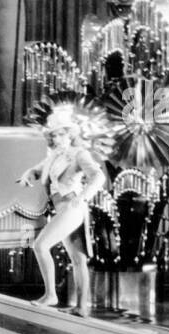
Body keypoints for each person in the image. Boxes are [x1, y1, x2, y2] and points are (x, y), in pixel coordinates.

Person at [18, 107, 107, 318]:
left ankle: (51, 295)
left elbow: (98, 176)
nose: (56, 139)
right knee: (78, 259)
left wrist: (83, 196)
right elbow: (37, 170)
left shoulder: (79, 154)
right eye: (54, 135)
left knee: (40, 245)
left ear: (70, 134)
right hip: (61, 209)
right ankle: (81, 307)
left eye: (60, 134)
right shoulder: (54, 156)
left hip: (72, 207)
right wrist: (28, 174)